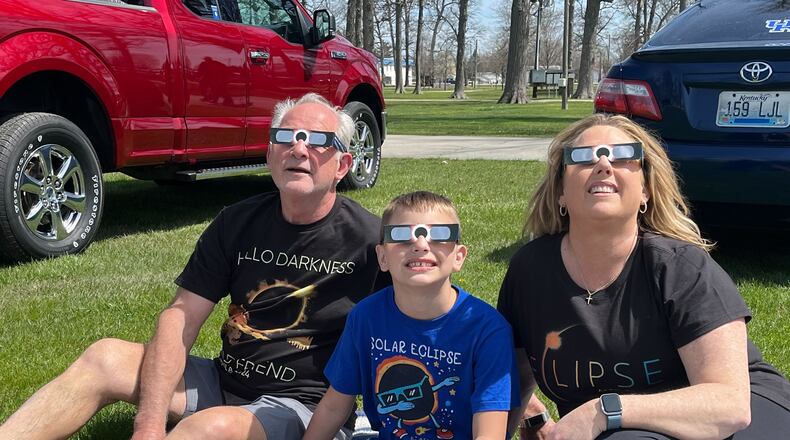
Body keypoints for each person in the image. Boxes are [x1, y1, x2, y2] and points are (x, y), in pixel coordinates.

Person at [0, 93, 389, 440]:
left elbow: (427, 322)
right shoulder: (237, 222)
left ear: (342, 165)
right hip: (224, 380)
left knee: (211, 427)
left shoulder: (371, 241)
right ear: (270, 154)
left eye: (318, 140)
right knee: (105, 358)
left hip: (303, 407)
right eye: (286, 137)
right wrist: (149, 424)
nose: (299, 149)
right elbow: (180, 317)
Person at [497, 113, 790, 440]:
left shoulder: (681, 268)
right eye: (582, 157)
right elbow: (512, 383)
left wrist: (603, 410)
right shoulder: (530, 271)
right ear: (561, 191)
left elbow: (730, 405)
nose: (603, 164)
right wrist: (528, 417)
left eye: (622, 156)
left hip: (742, 415)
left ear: (646, 191)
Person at [303, 191, 519, 440]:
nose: (420, 244)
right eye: (402, 235)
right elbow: (333, 407)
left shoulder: (488, 330)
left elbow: (490, 434)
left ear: (458, 257)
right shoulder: (366, 317)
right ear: (382, 257)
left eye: (439, 235)